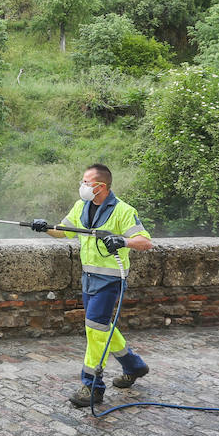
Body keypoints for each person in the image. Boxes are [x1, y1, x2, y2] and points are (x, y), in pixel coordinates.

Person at [32, 163, 153, 408]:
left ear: (102, 186)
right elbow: (64, 232)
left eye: (87, 183)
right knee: (102, 326)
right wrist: (45, 228)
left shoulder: (123, 211)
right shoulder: (81, 207)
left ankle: (92, 386)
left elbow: (144, 242)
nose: (83, 186)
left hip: (110, 280)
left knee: (94, 331)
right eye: (82, 182)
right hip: (88, 279)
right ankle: (134, 366)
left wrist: (122, 240)